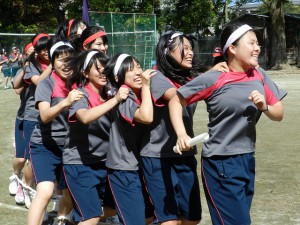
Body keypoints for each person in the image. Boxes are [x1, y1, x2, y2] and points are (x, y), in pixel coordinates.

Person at [168, 23, 287, 225]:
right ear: (232, 48)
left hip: (247, 159)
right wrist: (181, 134)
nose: (257, 48)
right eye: (251, 43)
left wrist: (264, 106)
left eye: (257, 43)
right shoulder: (215, 77)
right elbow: (175, 100)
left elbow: (279, 113)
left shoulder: (259, 74)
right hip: (220, 162)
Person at [140, 32, 206, 225]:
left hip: (185, 153)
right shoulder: (157, 77)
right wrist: (209, 79)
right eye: (184, 48)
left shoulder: (189, 78)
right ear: (167, 51)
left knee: (191, 218)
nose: (190, 53)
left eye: (191, 48)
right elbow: (176, 97)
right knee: (169, 220)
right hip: (158, 157)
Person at [63, 50, 128, 225]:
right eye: (97, 69)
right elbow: (84, 117)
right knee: (91, 218)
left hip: (104, 163)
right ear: (85, 73)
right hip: (80, 164)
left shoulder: (108, 93)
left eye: (105, 69)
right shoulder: (80, 94)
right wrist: (115, 101)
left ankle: (79, 215)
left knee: (115, 208)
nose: (102, 72)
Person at [27, 40, 84, 225]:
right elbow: (44, 116)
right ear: (52, 62)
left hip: (71, 147)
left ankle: (61, 219)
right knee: (45, 191)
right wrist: (66, 102)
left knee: (68, 191)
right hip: (45, 146)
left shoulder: (80, 82)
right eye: (60, 60)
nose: (65, 64)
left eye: (70, 59)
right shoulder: (47, 84)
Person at [105, 53, 155, 225]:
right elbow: (147, 117)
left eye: (139, 67)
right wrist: (147, 86)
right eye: (131, 69)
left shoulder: (138, 94)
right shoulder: (124, 98)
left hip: (139, 166)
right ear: (118, 77)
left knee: (149, 217)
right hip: (124, 168)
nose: (138, 72)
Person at [22, 33, 52, 209]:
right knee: (32, 159)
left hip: (52, 117)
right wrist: (54, 66)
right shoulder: (31, 67)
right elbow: (39, 82)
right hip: (34, 117)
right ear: (37, 52)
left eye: (49, 48)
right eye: (42, 49)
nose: (47, 52)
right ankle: (26, 186)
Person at [9, 42, 34, 205]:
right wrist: (28, 70)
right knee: (20, 158)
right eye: (30, 53)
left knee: (32, 159)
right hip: (23, 118)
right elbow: (17, 90)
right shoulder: (22, 71)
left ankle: (25, 186)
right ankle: (15, 176)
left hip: (38, 120)